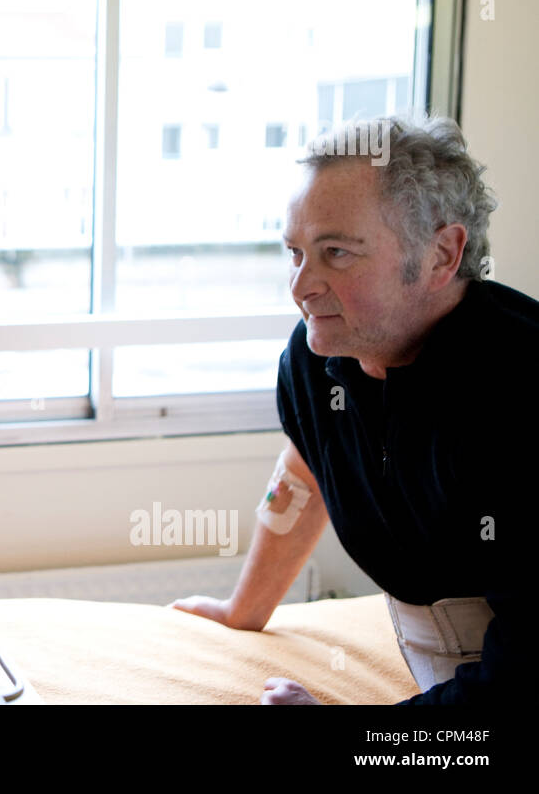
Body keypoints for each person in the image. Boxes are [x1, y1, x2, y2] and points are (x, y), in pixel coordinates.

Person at [170, 113, 534, 704]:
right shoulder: (319, 357)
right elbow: (310, 464)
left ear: (442, 254)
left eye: (336, 252)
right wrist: (244, 610)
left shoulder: (515, 391)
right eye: (295, 252)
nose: (302, 285)